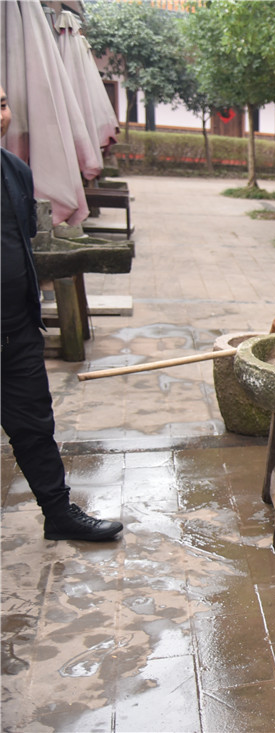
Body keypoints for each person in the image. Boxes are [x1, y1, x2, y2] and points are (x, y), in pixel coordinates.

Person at [1, 87, 124, 542]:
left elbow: (23, 243)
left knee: (35, 428)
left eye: (1, 104)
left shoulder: (14, 171)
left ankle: (59, 514)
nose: (0, 115)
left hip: (16, 332)